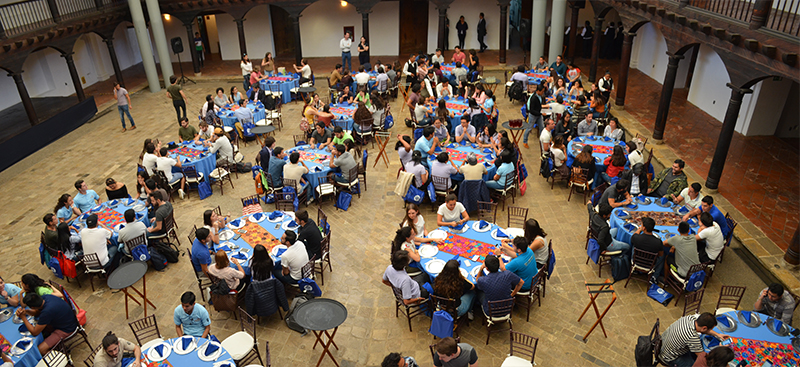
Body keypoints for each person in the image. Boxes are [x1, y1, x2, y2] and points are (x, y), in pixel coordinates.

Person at [659, 313, 729, 367]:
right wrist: (720, 350)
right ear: (704, 328)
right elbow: (703, 357)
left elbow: (704, 330)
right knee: (695, 364)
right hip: (669, 357)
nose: (711, 331)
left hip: (664, 345)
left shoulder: (689, 318)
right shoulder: (692, 337)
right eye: (710, 329)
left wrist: (717, 334)